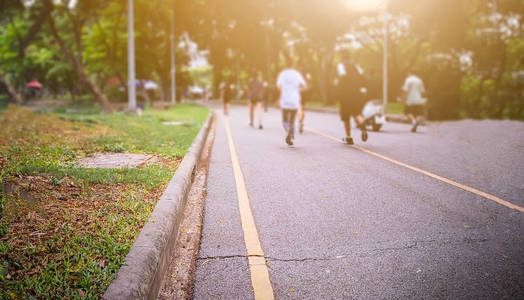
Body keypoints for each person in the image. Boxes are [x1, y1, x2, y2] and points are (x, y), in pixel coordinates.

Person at [337, 53, 368, 145]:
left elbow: (342, 77)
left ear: (342, 57)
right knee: (357, 113)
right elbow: (362, 77)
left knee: (346, 116)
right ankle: (362, 124)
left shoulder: (341, 65)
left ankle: (349, 137)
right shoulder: (356, 66)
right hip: (357, 92)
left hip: (345, 94)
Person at [277, 54, 307, 146]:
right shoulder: (297, 74)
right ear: (293, 64)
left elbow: (278, 87)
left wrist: (286, 91)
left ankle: (288, 131)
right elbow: (305, 87)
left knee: (285, 121)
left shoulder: (282, 74)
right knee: (292, 120)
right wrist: (296, 90)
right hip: (294, 100)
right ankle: (291, 133)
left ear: (286, 64)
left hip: (285, 100)